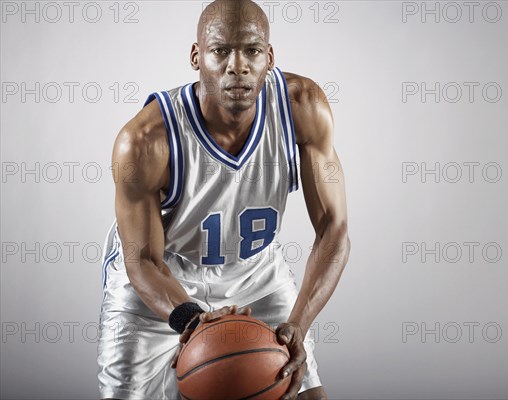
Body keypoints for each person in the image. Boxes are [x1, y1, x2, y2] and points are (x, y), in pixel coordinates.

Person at [97, 0, 350, 399]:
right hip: (163, 277)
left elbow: (334, 229)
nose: (238, 66)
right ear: (196, 57)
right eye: (220, 51)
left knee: (302, 392)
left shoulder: (303, 107)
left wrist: (299, 322)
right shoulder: (146, 140)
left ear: (269, 57)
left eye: (251, 50)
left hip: (255, 273)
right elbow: (141, 258)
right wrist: (191, 320)